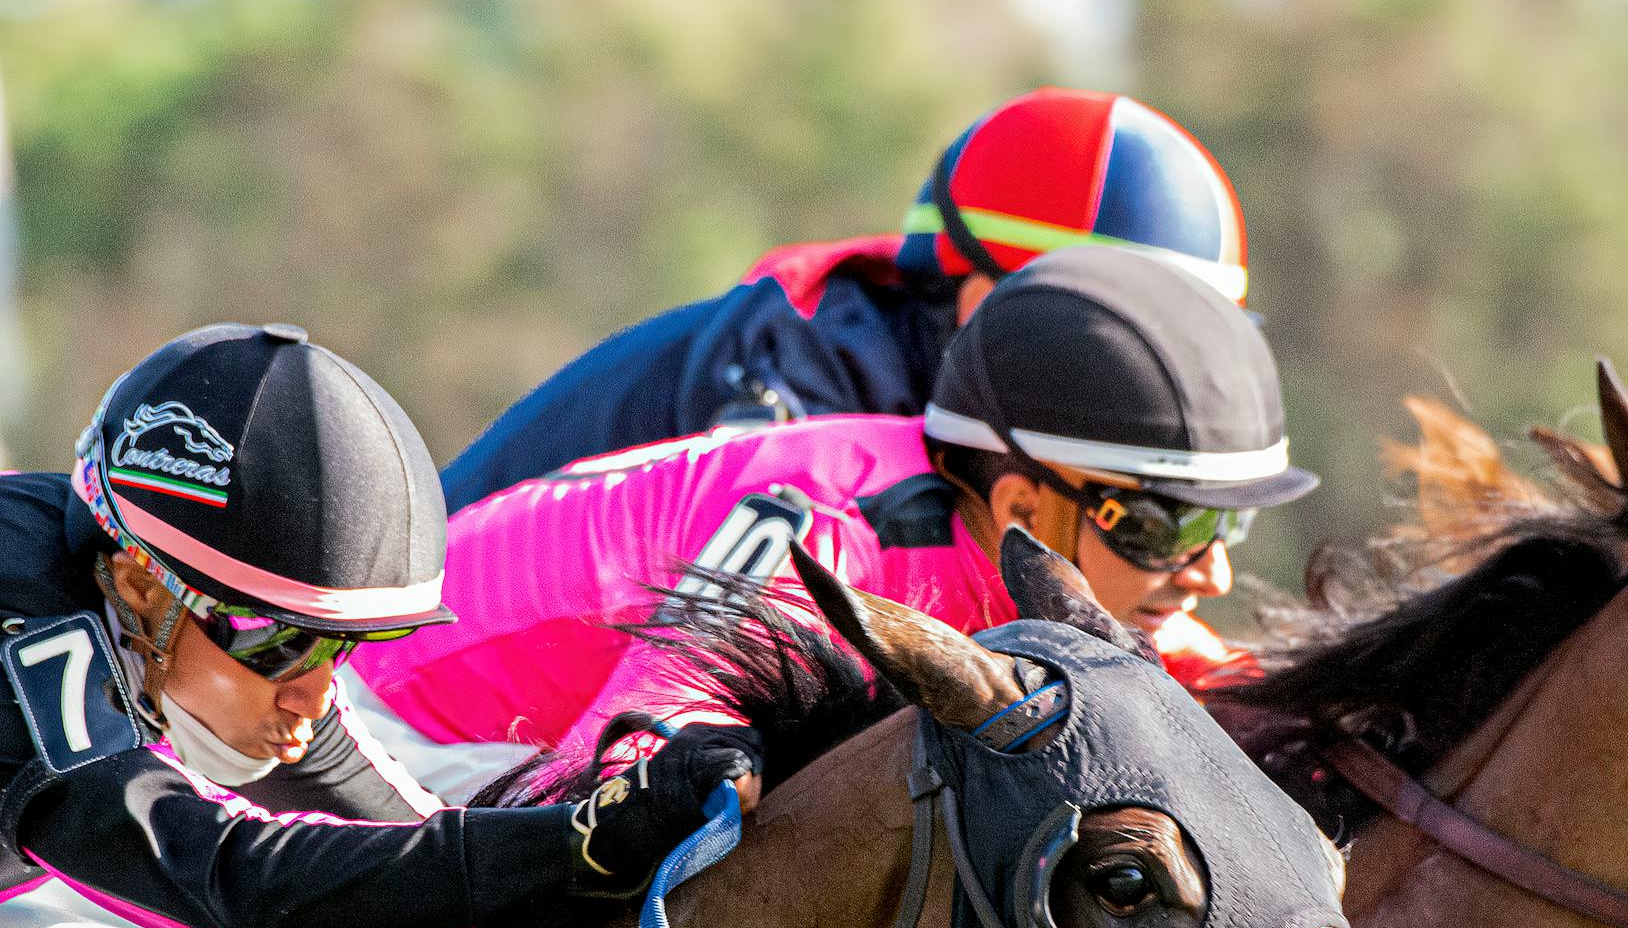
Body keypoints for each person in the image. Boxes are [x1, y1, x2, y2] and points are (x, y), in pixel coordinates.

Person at [0, 325, 753, 928]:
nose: (316, 690)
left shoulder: (148, 605)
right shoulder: (28, 626)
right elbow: (235, 886)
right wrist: (577, 846)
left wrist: (587, 837)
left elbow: (412, 840)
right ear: (145, 581)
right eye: (278, 640)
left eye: (338, 648)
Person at [350, 246, 1314, 794]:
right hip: (395, 726)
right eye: (1169, 532)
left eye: (1223, 533)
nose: (1209, 576)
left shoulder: (1031, 542)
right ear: (1025, 505)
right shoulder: (835, 534)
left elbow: (1216, 676)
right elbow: (618, 771)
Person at [438, 87, 1249, 512]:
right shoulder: (799, 390)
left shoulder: (934, 379)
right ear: (978, 302)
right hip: (399, 696)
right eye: (1127, 349)